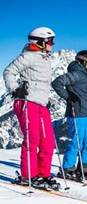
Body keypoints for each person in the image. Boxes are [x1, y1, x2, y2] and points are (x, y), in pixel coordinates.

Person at [3, 27, 60, 190]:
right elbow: (8, 72)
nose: (52, 44)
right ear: (40, 42)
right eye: (50, 41)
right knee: (32, 139)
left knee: (48, 142)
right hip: (27, 102)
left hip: (41, 104)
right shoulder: (28, 56)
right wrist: (15, 89)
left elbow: (40, 84)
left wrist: (45, 99)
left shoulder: (45, 58)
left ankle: (43, 174)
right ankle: (28, 176)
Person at [52, 50, 87, 183]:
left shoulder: (85, 76)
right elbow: (57, 82)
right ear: (83, 61)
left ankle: (84, 169)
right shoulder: (76, 73)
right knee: (76, 142)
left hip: (86, 115)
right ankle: (67, 168)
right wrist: (68, 96)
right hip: (76, 115)